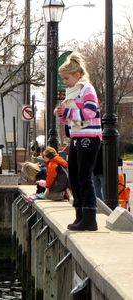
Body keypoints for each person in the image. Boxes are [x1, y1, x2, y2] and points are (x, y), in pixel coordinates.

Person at [54, 52, 102, 231]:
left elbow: (90, 113)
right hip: (77, 137)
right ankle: (80, 214)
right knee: (73, 176)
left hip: (89, 137)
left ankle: (89, 217)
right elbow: (73, 120)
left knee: (84, 176)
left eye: (66, 78)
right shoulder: (74, 92)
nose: (65, 82)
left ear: (77, 75)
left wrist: (66, 113)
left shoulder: (87, 90)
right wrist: (63, 115)